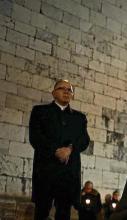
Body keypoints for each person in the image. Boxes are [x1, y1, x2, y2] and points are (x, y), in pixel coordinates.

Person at [29, 79, 90, 220]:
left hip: (68, 175)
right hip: (45, 171)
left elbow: (84, 140)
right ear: (53, 93)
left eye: (70, 90)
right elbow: (36, 137)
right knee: (41, 212)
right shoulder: (40, 112)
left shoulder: (79, 118)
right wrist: (56, 150)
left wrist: (70, 149)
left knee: (64, 213)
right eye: (62, 88)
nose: (67, 92)